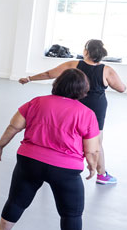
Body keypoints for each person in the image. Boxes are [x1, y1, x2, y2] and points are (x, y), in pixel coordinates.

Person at [0, 69, 101, 230]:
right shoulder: (87, 114)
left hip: (29, 161)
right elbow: (91, 150)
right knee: (71, 213)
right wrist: (93, 167)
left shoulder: (36, 102)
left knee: (17, 200)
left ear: (57, 84)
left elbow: (14, 127)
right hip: (65, 170)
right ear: (83, 90)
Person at [19, 39, 126, 185]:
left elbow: (49, 74)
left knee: (62, 132)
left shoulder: (74, 64)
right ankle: (101, 174)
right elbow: (121, 88)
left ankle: (50, 163)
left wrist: (29, 78)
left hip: (72, 104)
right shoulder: (106, 70)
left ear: (86, 52)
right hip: (96, 107)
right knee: (96, 141)